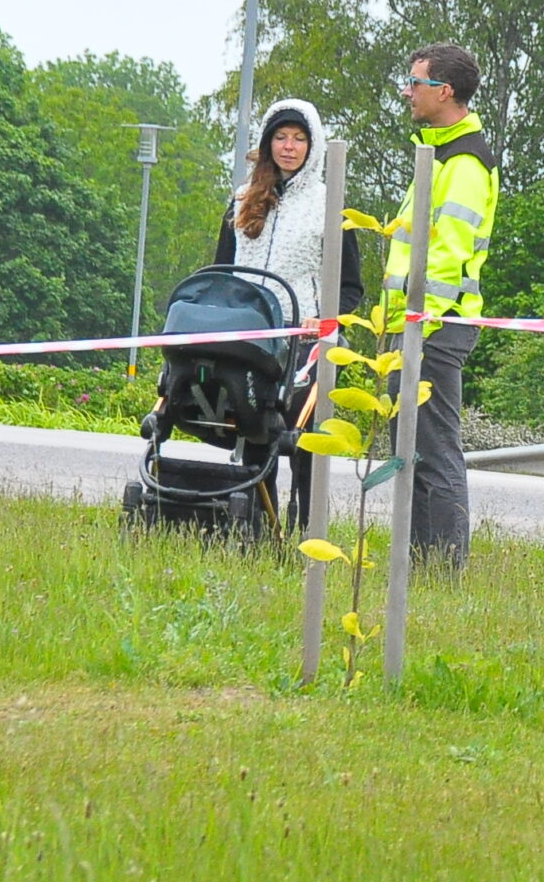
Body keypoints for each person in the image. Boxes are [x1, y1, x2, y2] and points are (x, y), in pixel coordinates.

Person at [212, 98, 366, 527]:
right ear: (268, 143)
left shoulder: (329, 204)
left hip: (306, 342)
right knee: (254, 434)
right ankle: (257, 530)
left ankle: (308, 531)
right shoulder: (241, 199)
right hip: (251, 337)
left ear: (312, 146)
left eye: (299, 139)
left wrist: (326, 317)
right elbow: (221, 271)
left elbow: (351, 286)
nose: (289, 147)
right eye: (281, 137)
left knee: (303, 442)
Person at [382, 42, 498, 572]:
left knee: (435, 451)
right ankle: (420, 564)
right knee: (414, 450)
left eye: (416, 82)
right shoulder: (440, 153)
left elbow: (448, 257)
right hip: (415, 324)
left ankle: (443, 568)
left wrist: (418, 325)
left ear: (445, 91)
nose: (408, 92)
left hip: (433, 326)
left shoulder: (464, 162)